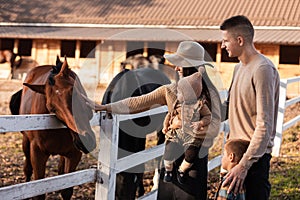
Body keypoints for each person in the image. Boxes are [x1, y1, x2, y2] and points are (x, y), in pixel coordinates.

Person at [83, 41, 222, 199]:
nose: (175, 68)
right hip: (170, 158)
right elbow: (136, 102)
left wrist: (182, 125)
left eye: (179, 64)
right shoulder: (170, 90)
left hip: (193, 161)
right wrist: (105, 107)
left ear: (192, 67)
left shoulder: (210, 94)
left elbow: (214, 129)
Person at [220, 15, 280, 199]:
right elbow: (228, 109)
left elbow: (264, 125)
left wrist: (243, 166)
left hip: (253, 161)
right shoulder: (238, 68)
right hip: (234, 158)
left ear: (239, 40)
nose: (223, 46)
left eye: (225, 40)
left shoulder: (262, 69)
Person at [162, 70, 212, 184]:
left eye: (180, 93)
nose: (178, 95)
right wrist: (165, 126)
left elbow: (208, 117)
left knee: (191, 154)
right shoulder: (177, 104)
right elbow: (169, 116)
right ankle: (168, 170)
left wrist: (200, 123)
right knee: (168, 150)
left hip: (192, 136)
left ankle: (182, 170)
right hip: (176, 134)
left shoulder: (200, 105)